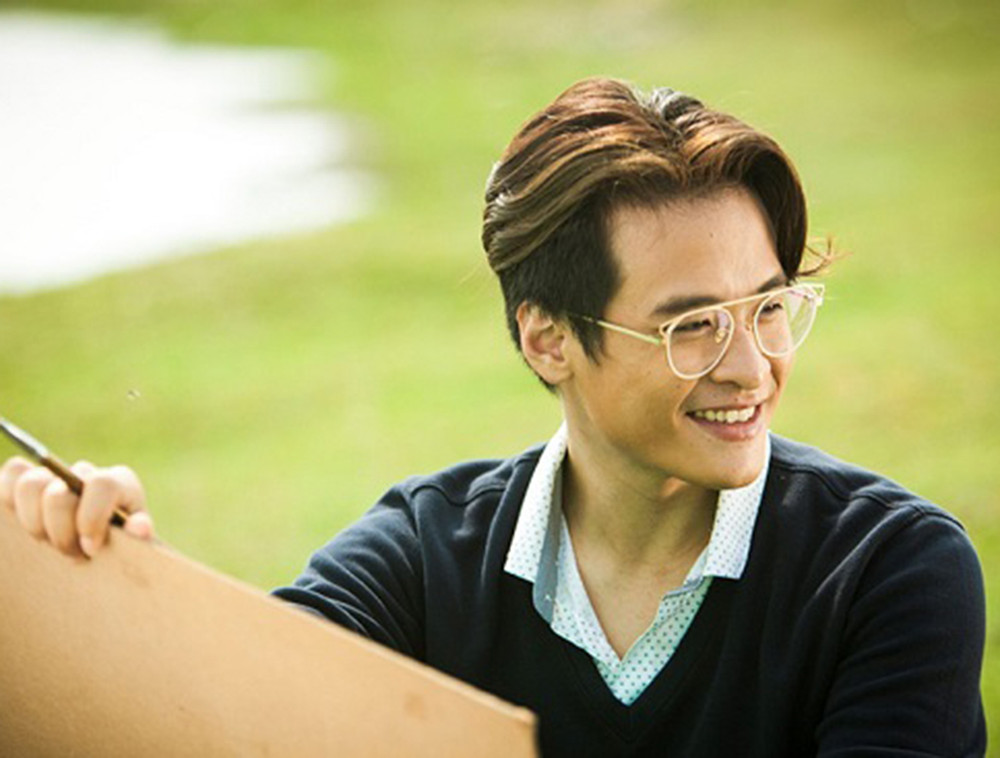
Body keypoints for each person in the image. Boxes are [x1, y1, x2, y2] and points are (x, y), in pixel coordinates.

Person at [0, 77, 986, 757]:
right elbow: (241, 701)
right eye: (691, 326)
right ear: (548, 339)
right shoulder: (421, 558)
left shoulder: (891, 572)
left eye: (769, 307)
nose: (751, 365)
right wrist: (112, 578)